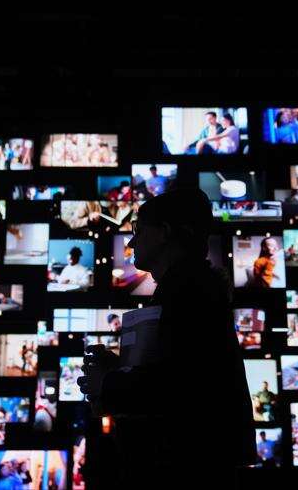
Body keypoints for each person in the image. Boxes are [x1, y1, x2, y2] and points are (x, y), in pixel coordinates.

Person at [78, 187, 255, 489]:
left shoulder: (188, 291)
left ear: (164, 232)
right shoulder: (191, 286)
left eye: (138, 231)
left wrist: (107, 383)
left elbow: (178, 386)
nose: (131, 242)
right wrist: (120, 369)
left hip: (184, 470)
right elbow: (185, 372)